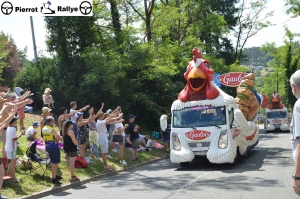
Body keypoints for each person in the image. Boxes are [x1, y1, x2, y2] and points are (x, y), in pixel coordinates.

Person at [96, 104, 124, 171]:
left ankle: (106, 165)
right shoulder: (101, 122)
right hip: (102, 139)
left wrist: (116, 110)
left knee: (105, 153)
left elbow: (110, 117)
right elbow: (111, 118)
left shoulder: (100, 121)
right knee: (104, 153)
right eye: (103, 115)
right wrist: (118, 117)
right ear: (101, 116)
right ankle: (105, 166)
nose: (104, 116)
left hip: (104, 138)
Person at [41, 116, 63, 184]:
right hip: (54, 146)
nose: (54, 123)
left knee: (52, 162)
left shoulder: (43, 128)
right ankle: (54, 179)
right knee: (55, 163)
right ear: (51, 122)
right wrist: (61, 137)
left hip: (47, 146)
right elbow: (58, 138)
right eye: (53, 121)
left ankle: (55, 174)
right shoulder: (51, 129)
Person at [5, 116, 26, 183]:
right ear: (13, 122)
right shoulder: (13, 129)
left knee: (11, 162)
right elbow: (14, 139)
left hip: (8, 147)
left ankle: (8, 174)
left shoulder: (8, 128)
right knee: (13, 162)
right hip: (11, 148)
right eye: (16, 121)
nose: (16, 122)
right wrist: (21, 134)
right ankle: (13, 178)